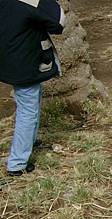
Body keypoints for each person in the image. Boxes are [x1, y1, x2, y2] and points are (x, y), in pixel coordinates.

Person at [0, 0, 65, 176]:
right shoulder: (29, 0)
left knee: (31, 102)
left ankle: (30, 142)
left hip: (8, 58)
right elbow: (59, 22)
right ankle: (17, 164)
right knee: (28, 109)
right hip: (25, 61)